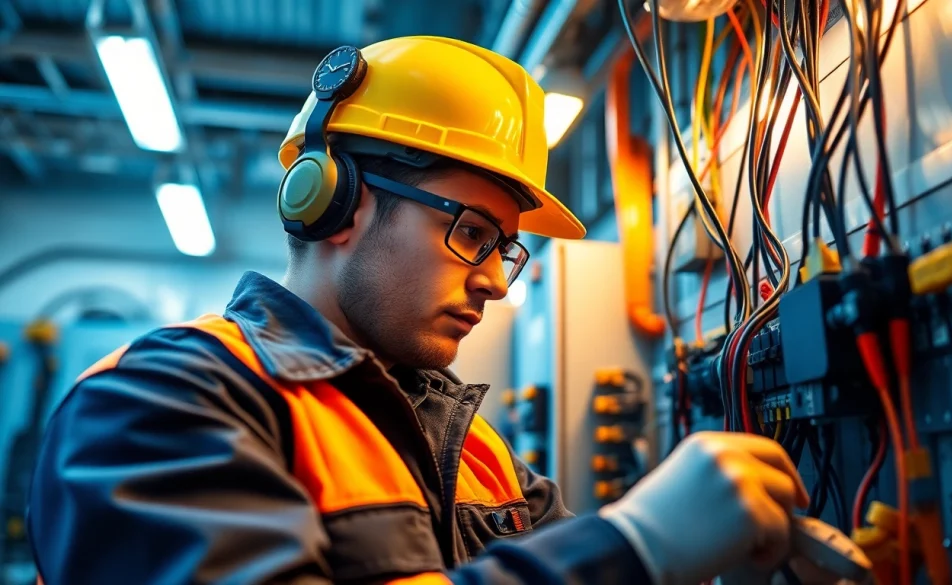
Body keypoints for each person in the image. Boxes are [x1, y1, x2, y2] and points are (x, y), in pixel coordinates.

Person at [27, 36, 816, 585]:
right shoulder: (157, 406)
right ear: (336, 201)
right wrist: (636, 543)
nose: (498, 283)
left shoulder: (480, 455)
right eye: (471, 231)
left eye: (504, 245)